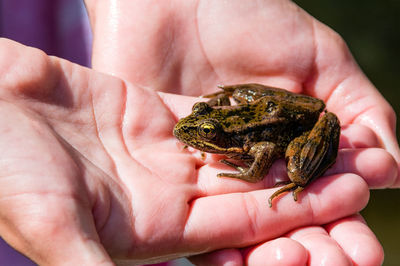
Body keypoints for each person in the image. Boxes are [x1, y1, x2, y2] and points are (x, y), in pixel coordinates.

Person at [0, 0, 399, 265]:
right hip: (280, 107)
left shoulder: (244, 141)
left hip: (296, 126)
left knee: (295, 172)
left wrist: (250, 172)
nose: (188, 132)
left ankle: (301, 177)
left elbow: (261, 148)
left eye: (205, 130)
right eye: (201, 121)